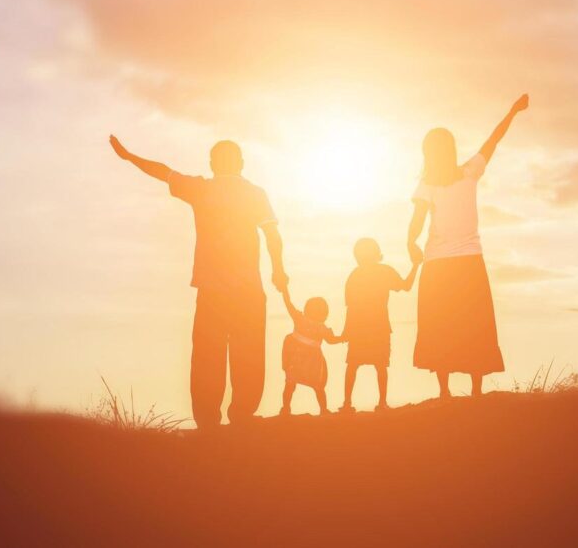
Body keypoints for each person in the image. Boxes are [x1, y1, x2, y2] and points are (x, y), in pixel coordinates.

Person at [108, 135, 288, 428]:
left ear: (212, 164)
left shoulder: (201, 188)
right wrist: (279, 270)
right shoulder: (255, 193)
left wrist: (131, 157)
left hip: (212, 289)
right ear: (241, 164)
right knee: (249, 352)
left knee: (208, 354)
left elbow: (161, 171)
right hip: (248, 289)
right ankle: (242, 415)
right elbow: (272, 235)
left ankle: (207, 420)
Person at [406, 94, 529, 398]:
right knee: (474, 324)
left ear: (428, 153)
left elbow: (417, 220)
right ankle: (475, 389)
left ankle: (445, 391)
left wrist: (410, 244)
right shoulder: (468, 172)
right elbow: (494, 140)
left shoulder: (433, 183)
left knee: (441, 324)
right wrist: (512, 111)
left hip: (439, 264)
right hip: (467, 262)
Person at [339, 238, 422, 413]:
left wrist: (347, 331)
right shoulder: (383, 271)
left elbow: (350, 307)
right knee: (379, 365)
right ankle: (381, 403)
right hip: (378, 326)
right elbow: (406, 286)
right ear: (377, 254)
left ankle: (348, 403)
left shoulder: (354, 275)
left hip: (361, 327)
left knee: (354, 365)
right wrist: (415, 266)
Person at [280, 288, 343, 416]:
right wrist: (345, 337)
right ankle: (323, 410)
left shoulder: (301, 319)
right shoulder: (320, 327)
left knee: (291, 384)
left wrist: (285, 291)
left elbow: (288, 304)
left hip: (298, 359)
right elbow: (332, 340)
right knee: (318, 386)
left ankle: (286, 408)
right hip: (309, 361)